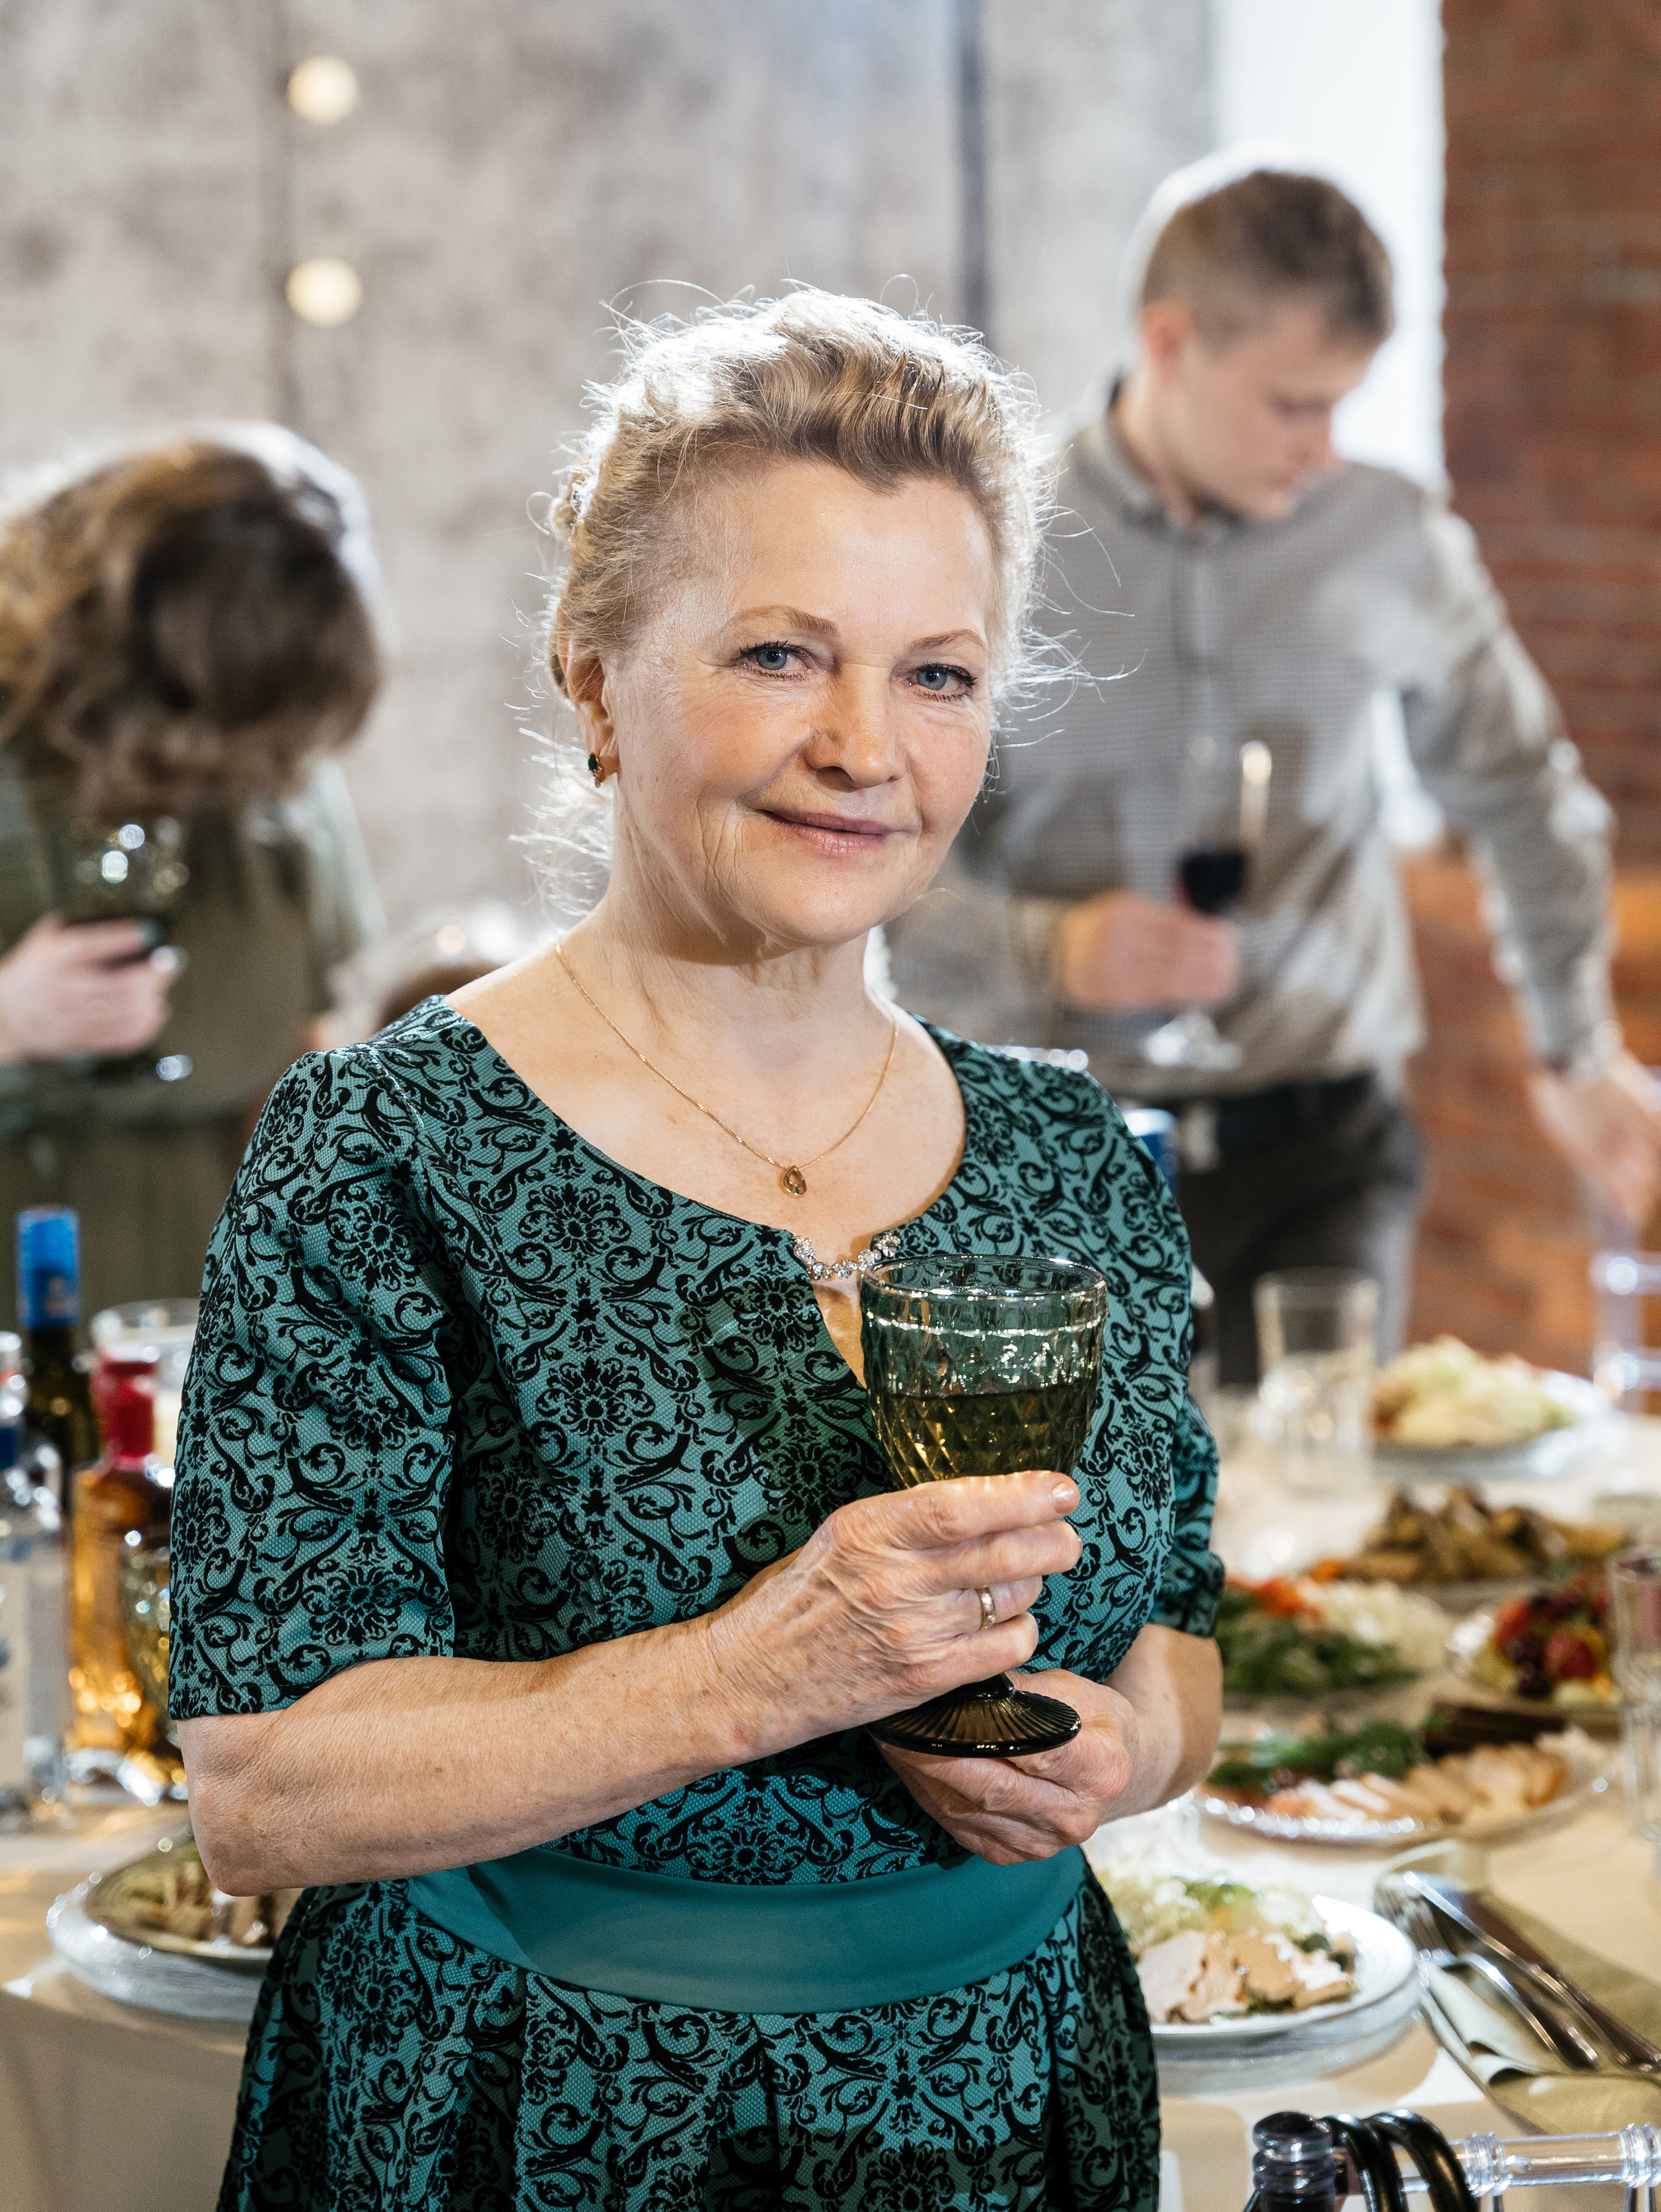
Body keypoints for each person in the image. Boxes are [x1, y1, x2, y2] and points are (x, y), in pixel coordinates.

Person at [170, 292, 1224, 2210]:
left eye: (937, 675)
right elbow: (262, 1790)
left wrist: (1127, 1746)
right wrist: (760, 1672)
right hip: (528, 2101)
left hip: (1009, 2096)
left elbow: (1176, 1637)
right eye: (778, 654)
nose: (863, 747)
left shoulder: (1071, 1152)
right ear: (594, 680)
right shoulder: (385, 1145)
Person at [886, 165, 1661, 1393]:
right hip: (1054, 1157)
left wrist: (1575, 1046)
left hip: (1327, 1158)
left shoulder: (1391, 537)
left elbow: (1521, 791)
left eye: (1343, 405)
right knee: (1087, 1512)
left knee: (1326, 1497)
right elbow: (879, 865)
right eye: (1296, 405)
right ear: (1170, 343)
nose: (1325, 449)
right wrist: (1048, 952)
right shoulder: (990, 546)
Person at [0, 424, 383, 1317]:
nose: (222, 764)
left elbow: (296, 1068)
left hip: (202, 1339)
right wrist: (8, 1022)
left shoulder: (274, 751)